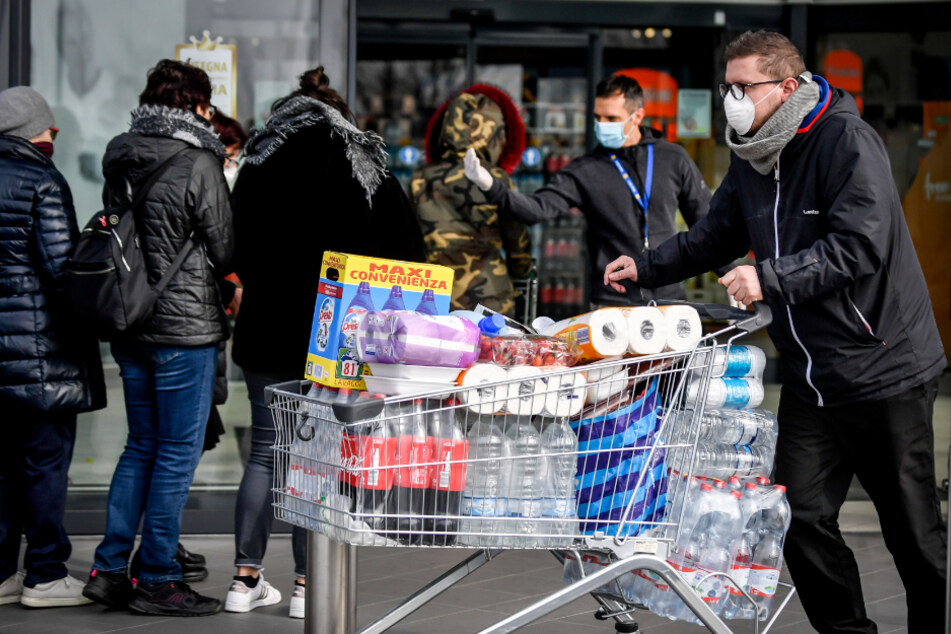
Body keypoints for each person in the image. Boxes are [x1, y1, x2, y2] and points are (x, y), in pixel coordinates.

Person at [605, 31, 947, 634]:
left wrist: (769, 278)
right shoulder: (752, 152)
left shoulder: (845, 140)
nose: (732, 98)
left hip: (883, 366)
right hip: (813, 380)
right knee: (797, 518)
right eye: (726, 86)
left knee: (913, 532)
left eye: (745, 87)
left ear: (787, 87)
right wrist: (650, 266)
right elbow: (715, 235)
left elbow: (859, 246)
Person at [225, 66, 425, 619]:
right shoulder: (362, 158)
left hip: (266, 328)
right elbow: (409, 248)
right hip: (337, 334)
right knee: (318, 459)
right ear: (338, 112)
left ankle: (243, 581)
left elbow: (231, 247)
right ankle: (307, 588)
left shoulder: (260, 161)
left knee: (265, 452)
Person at [81, 59, 234, 617]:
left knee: (140, 445)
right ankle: (159, 579)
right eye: (207, 105)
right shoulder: (200, 160)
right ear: (196, 105)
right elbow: (225, 247)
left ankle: (108, 568)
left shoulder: (120, 152)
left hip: (130, 318)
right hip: (183, 327)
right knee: (174, 454)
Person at [464, 73, 711, 305]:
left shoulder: (673, 158)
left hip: (669, 297)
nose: (602, 125)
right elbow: (536, 209)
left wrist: (729, 275)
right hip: (612, 300)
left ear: (637, 116)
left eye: (611, 119)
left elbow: (707, 223)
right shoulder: (585, 169)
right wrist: (490, 185)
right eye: (597, 117)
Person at [0, 86, 106, 608]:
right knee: (44, 461)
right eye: (50, 131)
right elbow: (63, 270)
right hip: (41, 349)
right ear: (35, 132)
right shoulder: (42, 179)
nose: (53, 139)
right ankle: (44, 573)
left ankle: (0, 573)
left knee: (1, 464)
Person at [412, 84, 532, 316]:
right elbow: (517, 241)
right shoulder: (495, 179)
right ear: (493, 134)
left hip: (433, 297)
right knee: (491, 352)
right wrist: (523, 270)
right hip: (490, 298)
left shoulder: (420, 178)